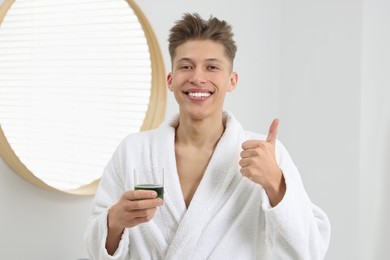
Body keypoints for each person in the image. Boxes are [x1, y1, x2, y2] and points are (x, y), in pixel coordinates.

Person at [84, 13, 331, 260]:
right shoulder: (134, 151)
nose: (197, 78)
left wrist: (276, 184)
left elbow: (309, 252)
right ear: (171, 80)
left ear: (231, 81)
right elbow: (94, 250)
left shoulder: (264, 154)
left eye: (212, 67)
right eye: (186, 66)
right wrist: (115, 221)